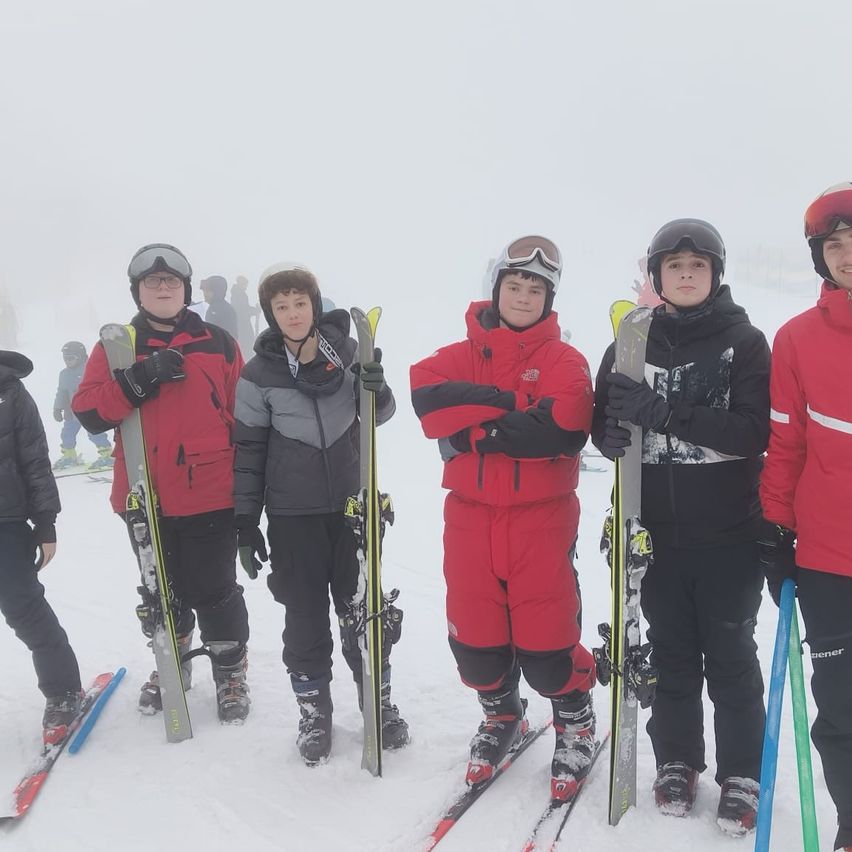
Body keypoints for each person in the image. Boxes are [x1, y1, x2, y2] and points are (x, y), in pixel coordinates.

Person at [592, 219, 769, 835]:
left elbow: (751, 433)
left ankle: (742, 772)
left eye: (698, 266)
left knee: (730, 657)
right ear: (657, 276)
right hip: (656, 538)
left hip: (729, 535)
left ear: (716, 276)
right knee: (669, 656)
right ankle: (676, 760)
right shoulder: (630, 343)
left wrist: (666, 413)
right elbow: (603, 419)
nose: (687, 275)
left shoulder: (744, 342)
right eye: (675, 266)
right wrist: (608, 434)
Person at [410, 236, 597, 800]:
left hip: (541, 521)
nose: (522, 296)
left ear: (549, 299)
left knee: (547, 647)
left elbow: (561, 429)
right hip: (469, 519)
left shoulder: (565, 360)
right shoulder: (457, 352)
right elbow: (428, 399)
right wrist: (515, 405)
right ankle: (501, 714)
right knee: (476, 643)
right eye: (514, 285)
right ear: (496, 289)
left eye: (535, 290)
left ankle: (575, 722)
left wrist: (471, 433)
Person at [233, 262, 409, 765]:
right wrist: (245, 522)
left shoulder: (348, 354)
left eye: (299, 303)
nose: (292, 314)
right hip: (292, 517)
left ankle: (378, 701)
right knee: (304, 617)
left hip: (353, 510)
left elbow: (381, 414)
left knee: (363, 612)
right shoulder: (258, 374)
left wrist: (378, 388)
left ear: (314, 306)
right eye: (281, 306)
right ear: (270, 314)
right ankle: (314, 712)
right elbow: (248, 451)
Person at [72, 244, 251, 724]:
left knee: (214, 589)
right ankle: (174, 663)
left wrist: (251, 485)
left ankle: (230, 669)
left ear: (186, 290)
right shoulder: (116, 345)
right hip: (142, 495)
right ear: (138, 292)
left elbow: (244, 414)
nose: (163, 287)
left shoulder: (218, 343)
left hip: (210, 490)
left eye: (172, 280)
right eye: (152, 281)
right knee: (161, 589)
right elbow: (89, 412)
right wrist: (137, 379)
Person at [759, 182, 852, 852]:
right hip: (827, 558)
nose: (847, 254)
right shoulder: (796, 339)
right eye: (835, 244)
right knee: (842, 709)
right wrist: (775, 529)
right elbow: (786, 444)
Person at [0, 349, 83, 745]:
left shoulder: (10, 391)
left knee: (24, 608)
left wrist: (45, 521)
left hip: (6, 521)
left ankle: (63, 690)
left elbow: (34, 457)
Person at [52, 341, 114, 471]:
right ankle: (69, 456)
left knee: (95, 433)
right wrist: (57, 408)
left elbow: (100, 387)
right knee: (67, 434)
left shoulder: (90, 369)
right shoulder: (64, 374)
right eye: (65, 358)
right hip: (71, 412)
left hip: (89, 410)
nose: (67, 361)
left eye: (71, 358)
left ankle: (107, 455)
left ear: (80, 357)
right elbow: (61, 392)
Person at [230, 274, 259, 360]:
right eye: (245, 285)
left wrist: (254, 310)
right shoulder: (239, 295)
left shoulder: (238, 294)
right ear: (241, 284)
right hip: (243, 325)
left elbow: (245, 308)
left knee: (247, 344)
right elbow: (242, 311)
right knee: (247, 344)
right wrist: (254, 311)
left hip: (242, 324)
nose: (246, 287)